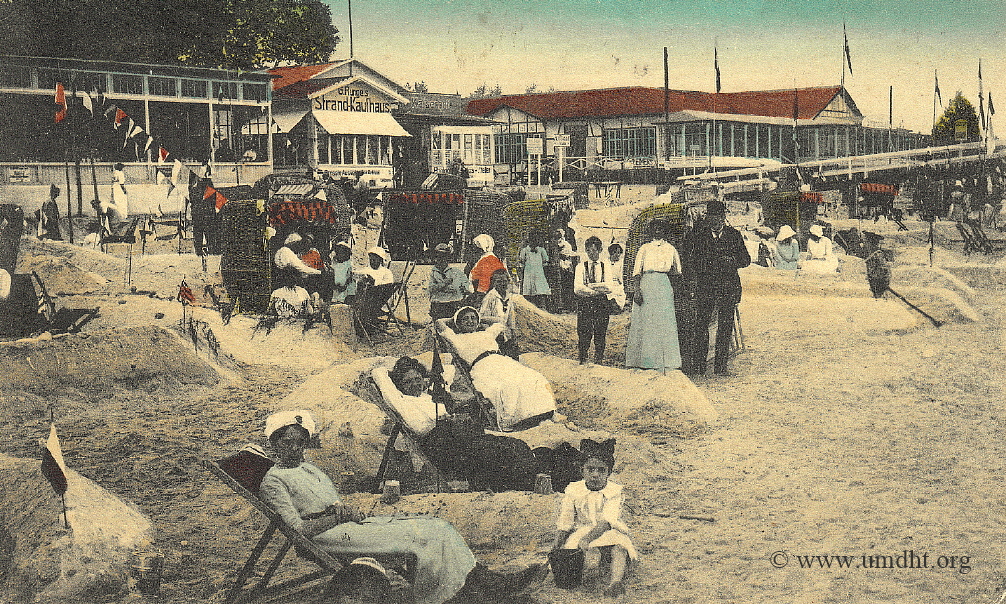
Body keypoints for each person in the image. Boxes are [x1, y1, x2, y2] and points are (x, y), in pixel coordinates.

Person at [257, 411, 545, 604]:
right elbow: (298, 532)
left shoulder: (310, 469)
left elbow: (335, 504)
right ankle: (459, 595)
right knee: (421, 537)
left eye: (300, 442)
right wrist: (336, 517)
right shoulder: (274, 481)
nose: (295, 448)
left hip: (344, 526)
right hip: (325, 538)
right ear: (274, 443)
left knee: (439, 526)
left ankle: (486, 582)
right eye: (287, 442)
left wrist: (346, 512)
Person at [436, 306, 556, 431]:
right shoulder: (456, 338)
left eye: (473, 318)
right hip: (483, 367)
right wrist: (453, 318)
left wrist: (480, 317)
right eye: (465, 319)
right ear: (459, 324)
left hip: (502, 362)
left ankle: (543, 411)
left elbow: (499, 320)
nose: (470, 321)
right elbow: (439, 323)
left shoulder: (486, 333)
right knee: (507, 386)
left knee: (534, 377)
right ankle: (510, 420)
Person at [552, 438, 637, 598]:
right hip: (582, 531)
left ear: (609, 473)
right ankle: (592, 573)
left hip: (607, 530)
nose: (595, 475)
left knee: (619, 548)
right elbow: (566, 520)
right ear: (582, 471)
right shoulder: (573, 490)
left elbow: (607, 521)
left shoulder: (614, 492)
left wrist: (587, 539)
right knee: (589, 555)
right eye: (590, 469)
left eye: (601, 470)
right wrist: (557, 545)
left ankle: (615, 582)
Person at [682, 201, 751, 376]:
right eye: (710, 217)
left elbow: (746, 259)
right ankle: (699, 367)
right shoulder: (698, 236)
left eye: (717, 217)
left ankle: (721, 367)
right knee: (701, 326)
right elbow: (690, 260)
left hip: (728, 288)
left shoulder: (734, 235)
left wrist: (732, 261)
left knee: (725, 327)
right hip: (706, 288)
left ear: (723, 217)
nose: (714, 221)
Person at [625, 220, 682, 373]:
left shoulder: (670, 249)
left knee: (664, 322)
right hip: (647, 284)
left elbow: (677, 272)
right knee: (646, 321)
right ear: (651, 231)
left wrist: (671, 289)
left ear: (665, 231)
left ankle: (668, 361)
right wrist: (637, 290)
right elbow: (636, 272)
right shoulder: (644, 248)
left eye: (661, 228)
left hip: (663, 284)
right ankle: (644, 360)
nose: (658, 231)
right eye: (655, 228)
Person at [574, 237, 615, 365]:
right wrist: (597, 289)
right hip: (585, 302)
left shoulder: (606, 266)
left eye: (594, 250)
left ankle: (598, 358)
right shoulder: (580, 266)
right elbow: (578, 288)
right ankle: (583, 357)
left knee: (600, 331)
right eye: (588, 251)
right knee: (584, 330)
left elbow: (609, 287)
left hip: (601, 303)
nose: (591, 254)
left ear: (600, 250)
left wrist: (591, 286)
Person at [479, 269, 519, 360]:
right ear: (493, 283)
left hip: (506, 335)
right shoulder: (490, 297)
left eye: (504, 281)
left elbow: (510, 316)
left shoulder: (508, 296)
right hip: (494, 335)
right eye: (499, 281)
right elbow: (482, 318)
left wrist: (513, 332)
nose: (502, 284)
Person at [428, 243, 472, 320]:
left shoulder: (455, 272)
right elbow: (431, 289)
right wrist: (445, 283)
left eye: (444, 257)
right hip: (439, 306)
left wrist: (463, 290)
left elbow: (466, 286)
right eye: (439, 257)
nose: (442, 260)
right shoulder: (431, 272)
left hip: (453, 304)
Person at [518, 232, 551, 309]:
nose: (534, 242)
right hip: (528, 273)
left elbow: (545, 261)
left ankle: (542, 308)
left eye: (536, 240)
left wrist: (541, 268)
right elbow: (521, 261)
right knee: (529, 291)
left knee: (540, 290)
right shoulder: (525, 250)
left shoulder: (541, 250)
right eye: (532, 240)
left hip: (539, 273)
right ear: (529, 240)